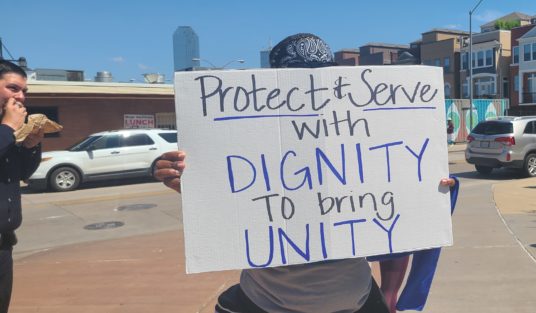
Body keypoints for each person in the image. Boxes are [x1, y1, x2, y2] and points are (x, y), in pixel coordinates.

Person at [155, 33, 455, 313]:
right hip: (267, 301)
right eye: (294, 80)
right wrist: (188, 182)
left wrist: (431, 188)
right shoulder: (244, 141)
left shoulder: (359, 138)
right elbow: (225, 202)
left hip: (354, 298)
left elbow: (398, 203)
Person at [0, 60, 44, 313]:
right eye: (13, 88)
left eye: (24, 91)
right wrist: (7, 127)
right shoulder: (7, 129)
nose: (21, 97)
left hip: (4, 245)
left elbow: (23, 173)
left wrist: (30, 146)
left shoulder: (9, 132)